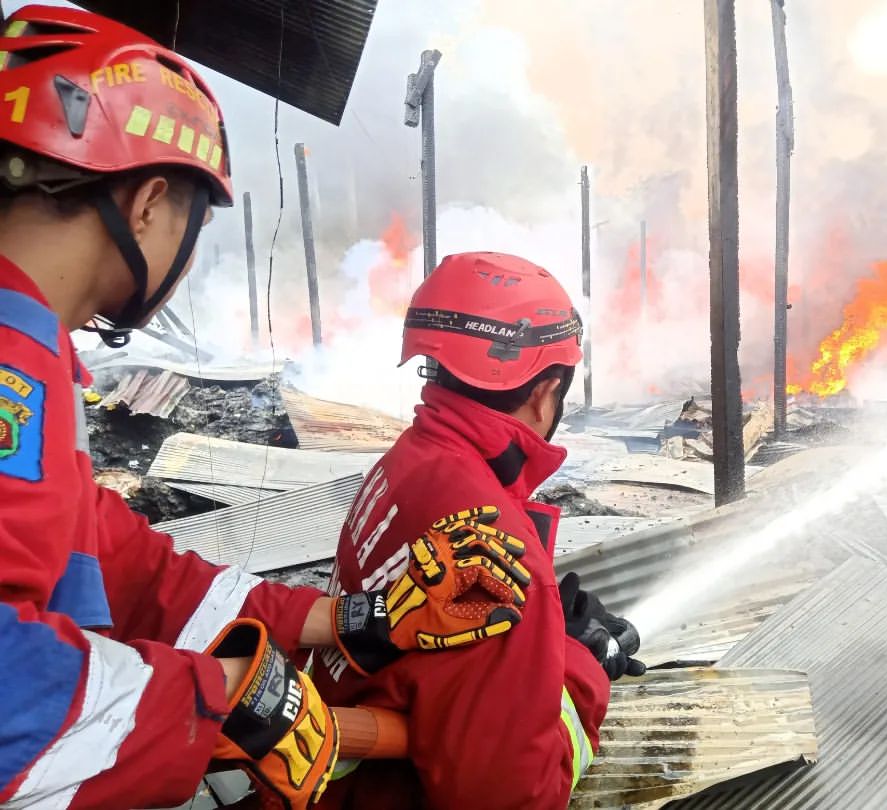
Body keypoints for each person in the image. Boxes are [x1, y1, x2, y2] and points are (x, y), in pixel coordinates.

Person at [0, 8, 532, 809]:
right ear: (146, 203)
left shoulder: (37, 360)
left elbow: (135, 573)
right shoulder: (12, 366)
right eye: (192, 220)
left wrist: (357, 621)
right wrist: (218, 702)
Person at [312, 251, 646, 810]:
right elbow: (517, 797)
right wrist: (584, 670)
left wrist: (546, 644)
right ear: (545, 392)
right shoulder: (502, 559)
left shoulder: (408, 464)